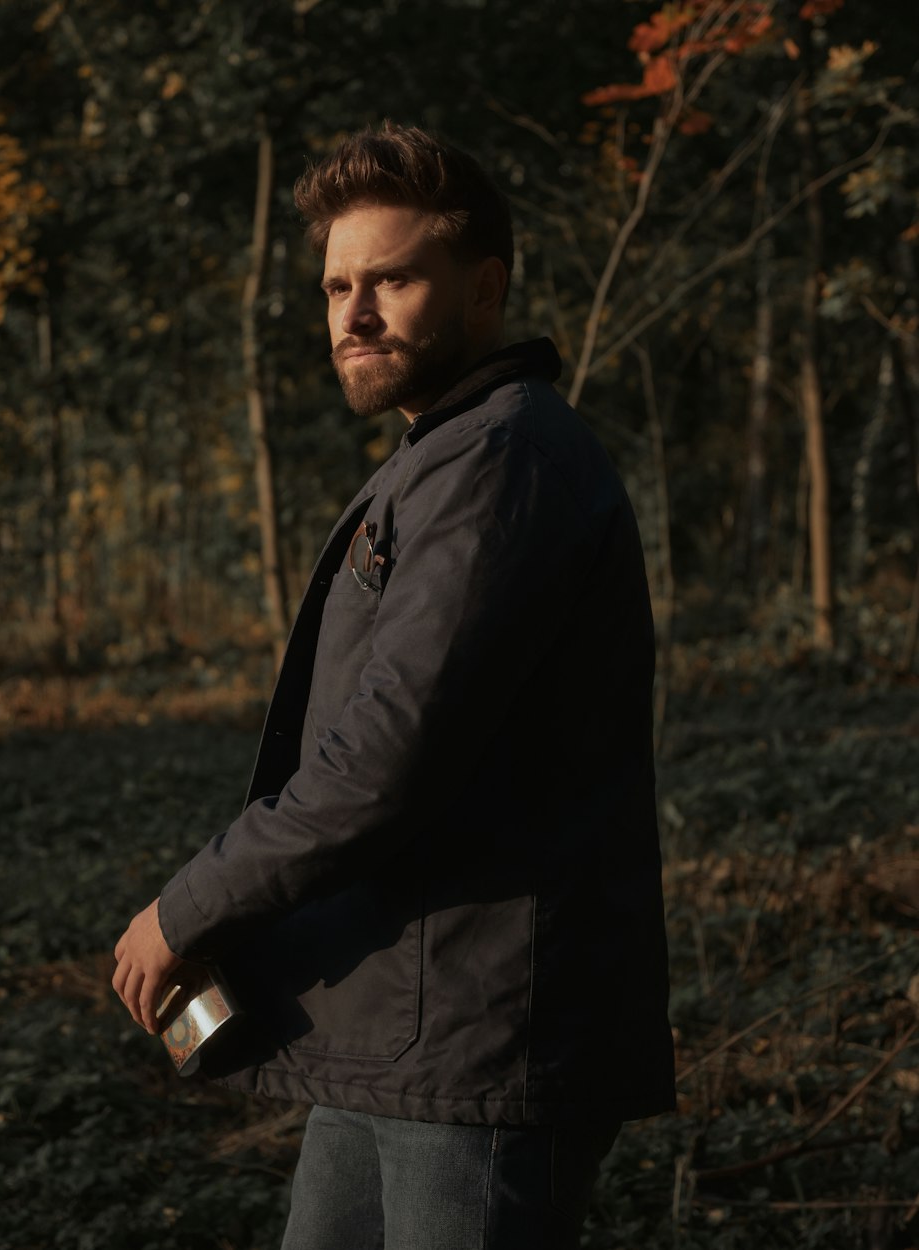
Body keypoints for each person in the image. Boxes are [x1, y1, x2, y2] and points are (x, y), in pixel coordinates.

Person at [113, 122, 675, 1250]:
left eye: (392, 279)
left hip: (480, 1042)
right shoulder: (443, 455)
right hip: (398, 1030)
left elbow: (386, 752)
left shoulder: (503, 460)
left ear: (484, 287)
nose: (352, 314)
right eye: (335, 285)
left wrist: (189, 905)